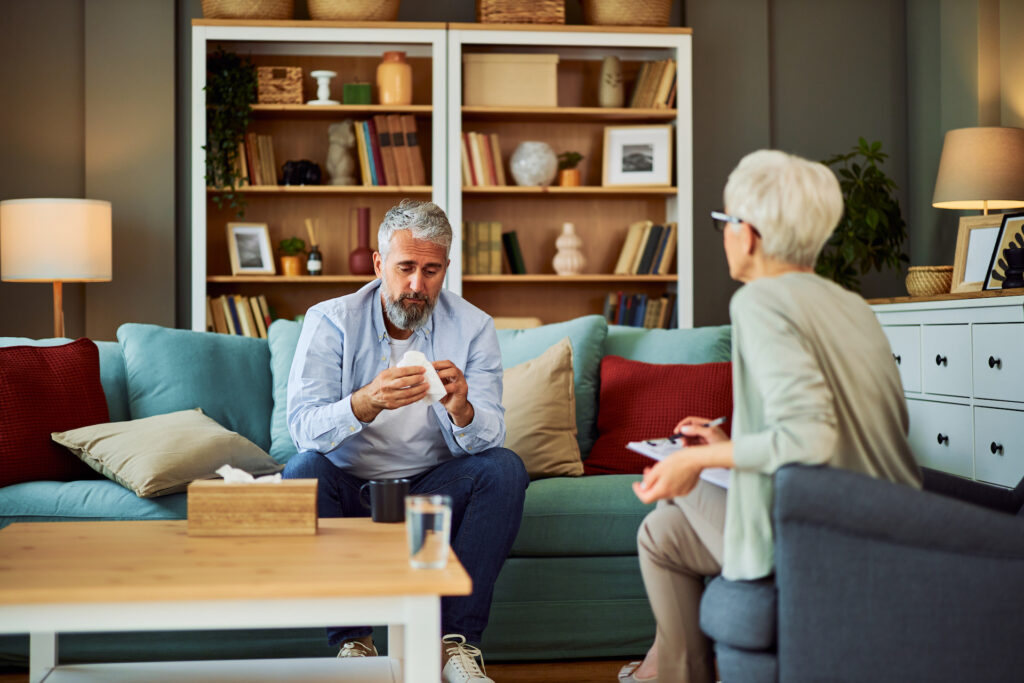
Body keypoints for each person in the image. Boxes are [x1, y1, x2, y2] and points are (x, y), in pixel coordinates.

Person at [618, 150, 923, 683]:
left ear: (749, 233)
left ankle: (663, 673)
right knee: (662, 533)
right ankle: (668, 671)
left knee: (671, 492)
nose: (724, 235)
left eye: (724, 222)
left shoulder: (759, 301)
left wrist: (701, 460)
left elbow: (811, 436)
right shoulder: (852, 304)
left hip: (821, 535)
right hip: (882, 523)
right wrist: (724, 441)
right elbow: (883, 424)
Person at [284, 199, 528, 683]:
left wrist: (462, 407)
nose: (417, 285)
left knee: (504, 468)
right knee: (301, 470)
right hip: (350, 487)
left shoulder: (474, 327)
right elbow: (302, 427)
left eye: (431, 270)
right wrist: (365, 401)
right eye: (406, 268)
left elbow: (490, 436)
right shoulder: (330, 320)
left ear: (446, 269)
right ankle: (354, 642)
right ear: (379, 265)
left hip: (431, 494)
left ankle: (456, 647)